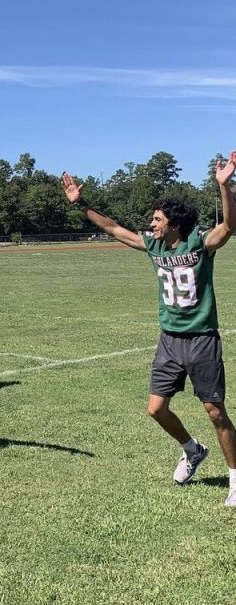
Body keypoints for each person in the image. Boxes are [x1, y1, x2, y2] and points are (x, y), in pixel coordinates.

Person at [62, 158, 236, 507]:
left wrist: (224, 185)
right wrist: (80, 203)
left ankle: (235, 477)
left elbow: (229, 227)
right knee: (156, 409)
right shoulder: (154, 246)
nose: (151, 224)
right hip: (169, 340)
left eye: (157, 219)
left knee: (215, 412)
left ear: (174, 224)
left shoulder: (200, 243)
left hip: (201, 338)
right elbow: (113, 228)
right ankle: (192, 449)